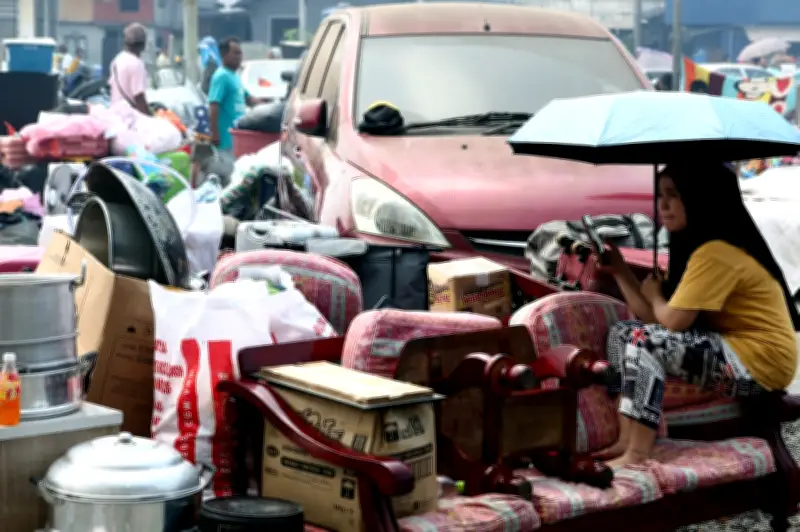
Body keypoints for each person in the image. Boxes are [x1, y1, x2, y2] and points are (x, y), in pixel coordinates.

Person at [596, 163, 800, 468]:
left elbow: (674, 322)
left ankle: (638, 453)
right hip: (731, 349)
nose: (662, 205)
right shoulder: (695, 248)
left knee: (642, 339)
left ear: (701, 199)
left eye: (673, 195)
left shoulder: (717, 253)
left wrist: (655, 296)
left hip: (760, 364)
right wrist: (621, 271)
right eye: (660, 195)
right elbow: (653, 319)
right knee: (622, 333)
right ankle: (625, 439)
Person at [208, 37, 260, 160]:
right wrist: (215, 133)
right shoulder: (221, 76)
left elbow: (249, 99)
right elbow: (213, 105)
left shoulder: (234, 77)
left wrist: (270, 106)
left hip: (237, 138)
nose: (239, 57)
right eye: (235, 53)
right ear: (223, 55)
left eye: (240, 53)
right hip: (225, 140)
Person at [109, 23, 151, 116]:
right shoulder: (137, 64)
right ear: (143, 44)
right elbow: (139, 97)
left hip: (114, 116)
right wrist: (150, 118)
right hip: (130, 118)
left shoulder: (116, 60)